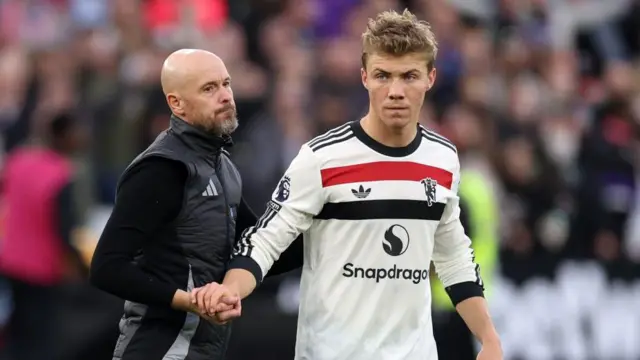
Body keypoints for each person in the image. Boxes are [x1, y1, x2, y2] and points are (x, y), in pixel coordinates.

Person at [193, 10, 503, 360]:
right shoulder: (323, 158)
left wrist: (487, 336)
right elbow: (266, 240)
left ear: (430, 78)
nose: (396, 91)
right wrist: (231, 289)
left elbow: (455, 259)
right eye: (383, 75)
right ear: (364, 77)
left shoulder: (441, 159)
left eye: (409, 76)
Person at [89, 49, 301, 360]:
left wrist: (328, 224)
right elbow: (106, 268)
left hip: (200, 349)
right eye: (209, 88)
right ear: (176, 103)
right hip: (159, 347)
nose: (226, 96)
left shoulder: (222, 165)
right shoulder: (162, 168)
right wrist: (188, 300)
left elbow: (257, 250)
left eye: (226, 84)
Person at [0, 112, 88, 360]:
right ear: (64, 136)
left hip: (10, 261)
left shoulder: (17, 161)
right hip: (40, 269)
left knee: (16, 332)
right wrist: (81, 266)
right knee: (40, 339)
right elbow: (63, 232)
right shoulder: (60, 175)